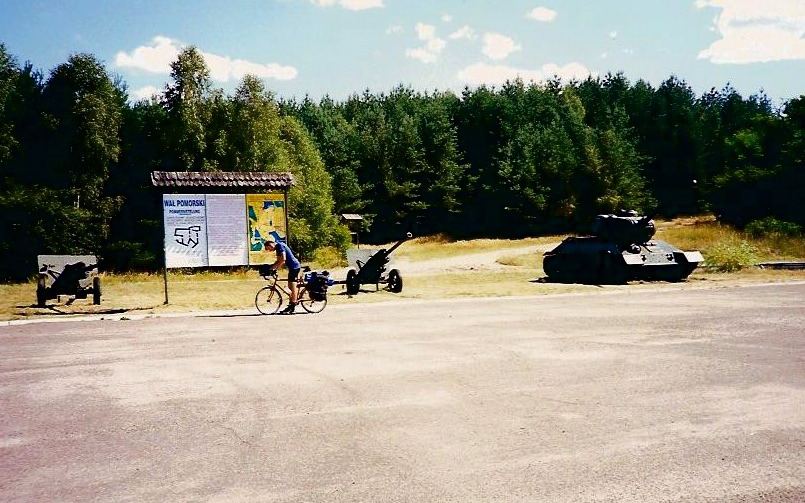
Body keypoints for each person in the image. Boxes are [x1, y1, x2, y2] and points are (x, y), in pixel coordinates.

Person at [265, 239, 301, 314]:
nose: (270, 250)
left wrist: (275, 269)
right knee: (290, 286)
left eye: (269, 248)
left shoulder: (280, 246)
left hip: (294, 267)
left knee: (292, 285)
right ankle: (291, 304)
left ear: (271, 244)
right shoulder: (278, 247)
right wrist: (271, 268)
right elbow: (278, 260)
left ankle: (293, 305)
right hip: (291, 267)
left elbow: (283, 260)